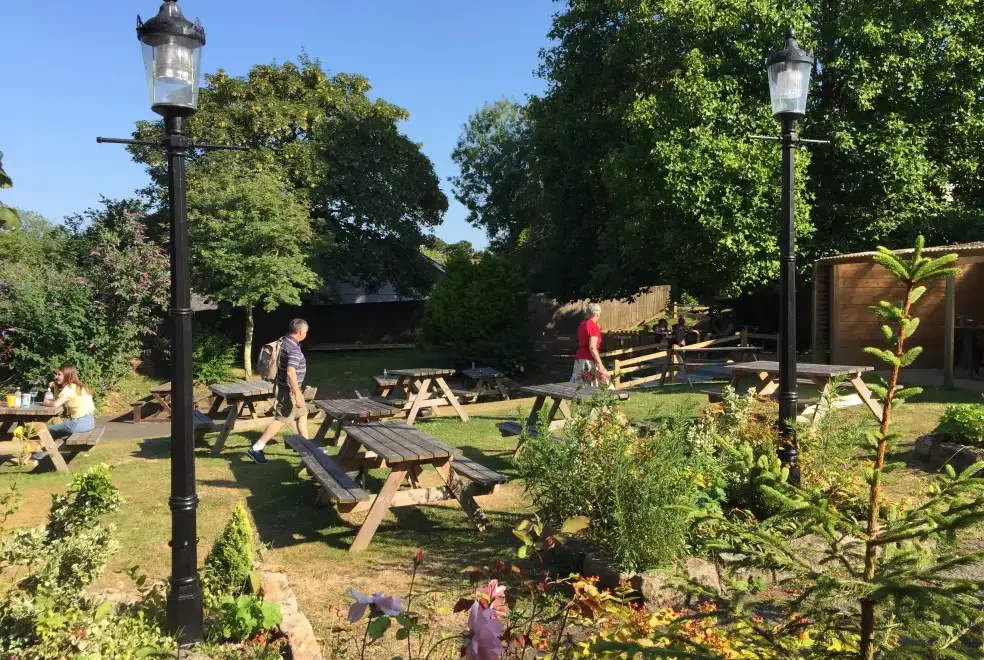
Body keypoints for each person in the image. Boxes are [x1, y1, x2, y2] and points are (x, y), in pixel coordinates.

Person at [247, 319, 310, 464]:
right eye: (305, 332)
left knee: (302, 416)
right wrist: (297, 393)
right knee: (281, 419)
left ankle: (308, 449)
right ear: (301, 332)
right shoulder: (293, 349)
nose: (306, 334)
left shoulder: (285, 340)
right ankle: (256, 448)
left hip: (284, 387)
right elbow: (291, 371)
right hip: (290, 391)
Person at [30, 364, 96, 462]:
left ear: (67, 376)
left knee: (47, 431)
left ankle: (35, 457)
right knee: (56, 429)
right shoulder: (79, 386)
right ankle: (38, 454)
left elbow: (56, 404)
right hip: (90, 421)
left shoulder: (68, 389)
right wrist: (56, 386)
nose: (56, 377)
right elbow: (58, 399)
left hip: (78, 423)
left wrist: (46, 402)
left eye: (59, 374)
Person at [571, 303, 609, 386]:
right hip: (588, 360)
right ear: (597, 314)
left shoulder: (582, 325)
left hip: (579, 358)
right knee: (603, 382)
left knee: (578, 385)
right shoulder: (594, 327)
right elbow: (592, 347)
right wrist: (599, 363)